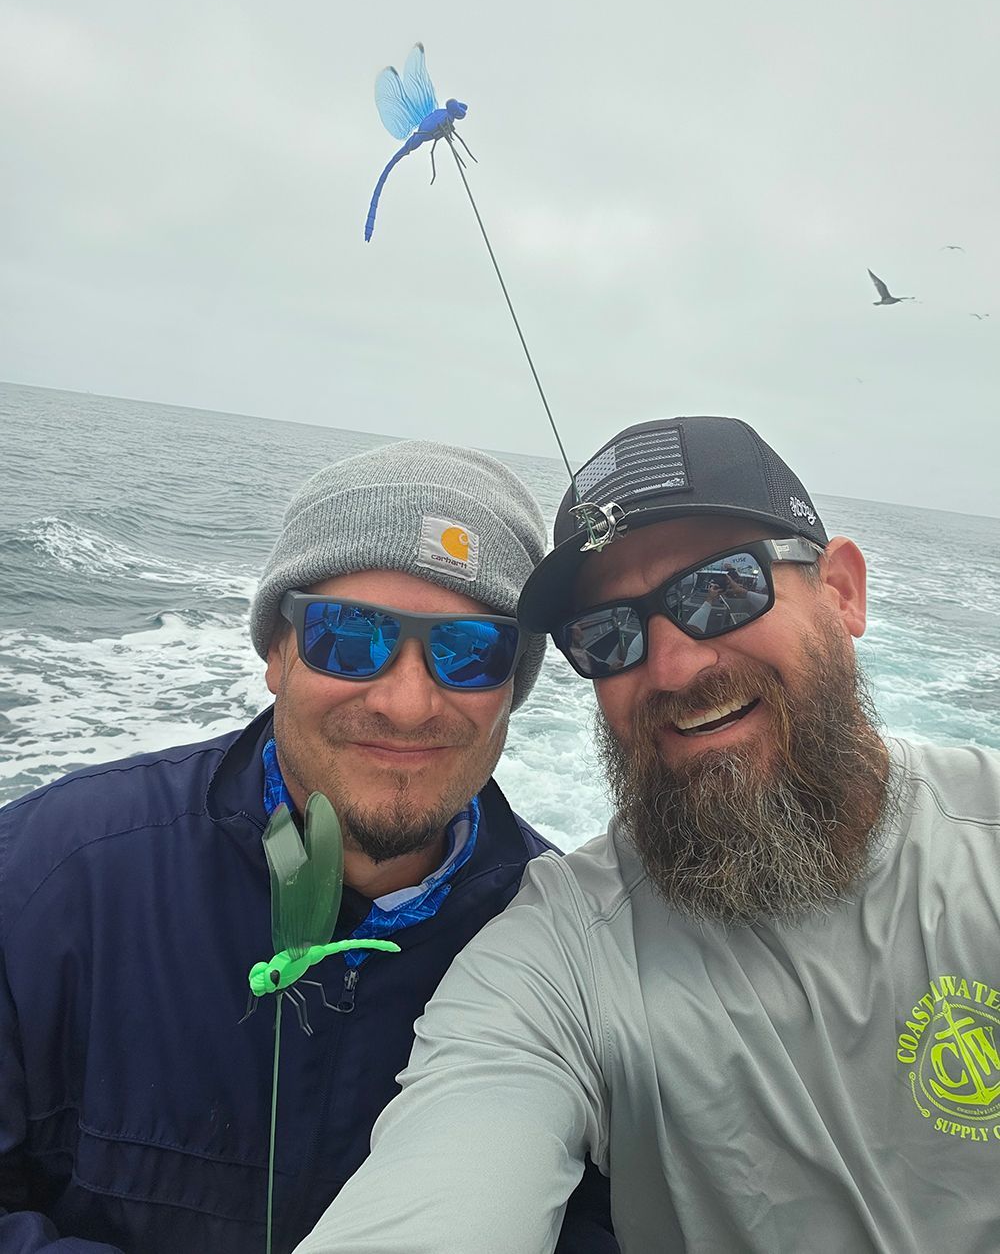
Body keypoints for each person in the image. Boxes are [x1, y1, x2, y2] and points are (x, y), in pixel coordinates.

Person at [295, 416, 1000, 1253]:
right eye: (609, 634)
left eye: (721, 589)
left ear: (841, 590)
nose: (671, 666)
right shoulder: (558, 954)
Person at [0, 441, 616, 1254]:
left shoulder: (571, 956)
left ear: (512, 687)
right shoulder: (49, 874)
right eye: (350, 635)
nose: (405, 701)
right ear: (277, 651)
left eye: (469, 650)